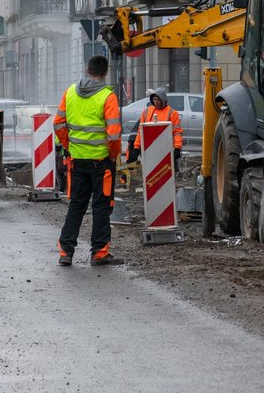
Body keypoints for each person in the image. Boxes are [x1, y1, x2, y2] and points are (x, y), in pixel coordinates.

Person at [54, 55, 123, 267]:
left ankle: (66, 252)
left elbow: (58, 124)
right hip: (101, 162)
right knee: (101, 207)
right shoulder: (107, 96)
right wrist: (113, 154)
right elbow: (113, 134)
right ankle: (99, 253)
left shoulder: (70, 92)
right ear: (104, 73)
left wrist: (69, 147)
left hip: (78, 161)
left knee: (76, 205)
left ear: (87, 69)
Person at [131, 87, 182, 170]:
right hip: (149, 151)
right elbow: (141, 132)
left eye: (158, 99)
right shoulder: (146, 112)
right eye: (154, 99)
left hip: (165, 150)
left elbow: (177, 132)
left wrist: (177, 148)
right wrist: (136, 147)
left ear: (163, 99)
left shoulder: (172, 113)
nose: (156, 102)